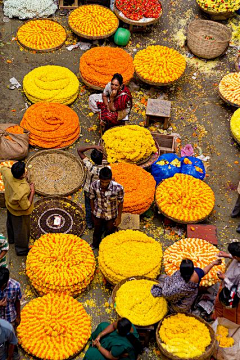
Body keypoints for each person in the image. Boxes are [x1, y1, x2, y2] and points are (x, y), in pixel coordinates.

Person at [151, 258, 222, 313]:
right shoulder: (196, 273)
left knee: (171, 306)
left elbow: (167, 294)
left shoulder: (179, 284)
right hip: (191, 294)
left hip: (183, 301)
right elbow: (204, 271)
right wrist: (213, 263)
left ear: (181, 270)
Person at [0, 161, 35, 256]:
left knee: (10, 223)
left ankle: (11, 239)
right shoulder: (22, 190)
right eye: (24, 171)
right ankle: (21, 250)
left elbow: (3, 168)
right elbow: (26, 206)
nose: (26, 172)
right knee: (21, 231)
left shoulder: (7, 172)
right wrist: (32, 191)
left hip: (10, 205)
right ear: (22, 175)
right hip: (19, 213)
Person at [89, 167, 124, 250]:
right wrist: (93, 210)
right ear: (99, 178)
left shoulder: (118, 188)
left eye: (107, 182)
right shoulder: (94, 185)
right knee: (97, 230)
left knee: (110, 230)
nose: (104, 184)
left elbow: (120, 202)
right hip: (98, 212)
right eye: (102, 182)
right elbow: (91, 198)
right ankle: (95, 244)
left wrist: (119, 217)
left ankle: (107, 246)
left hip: (111, 213)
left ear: (111, 179)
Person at [77, 145, 109, 230]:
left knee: (89, 208)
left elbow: (79, 150)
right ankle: (100, 225)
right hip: (100, 193)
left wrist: (93, 146)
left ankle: (89, 224)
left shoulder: (90, 166)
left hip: (88, 190)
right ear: (103, 158)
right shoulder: (106, 168)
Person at [213, 242, 240, 324]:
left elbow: (239, 293)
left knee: (230, 312)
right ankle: (216, 316)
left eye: (233, 255)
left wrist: (225, 279)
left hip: (233, 295)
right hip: (226, 285)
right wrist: (228, 255)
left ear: (236, 257)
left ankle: (225, 323)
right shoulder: (237, 257)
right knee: (219, 304)